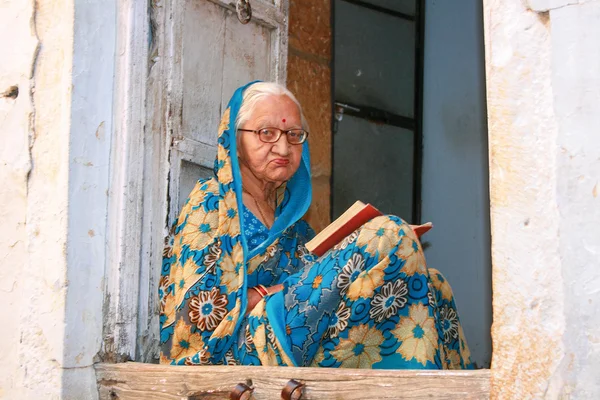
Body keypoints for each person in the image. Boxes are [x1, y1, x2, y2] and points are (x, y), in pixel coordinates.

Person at [159, 81, 472, 369]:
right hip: (234, 350)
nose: (283, 148)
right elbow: (197, 315)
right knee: (387, 232)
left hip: (303, 339)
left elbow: (313, 298)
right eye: (266, 133)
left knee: (434, 285)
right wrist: (270, 292)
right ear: (234, 140)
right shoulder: (212, 203)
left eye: (294, 135)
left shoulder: (296, 230)